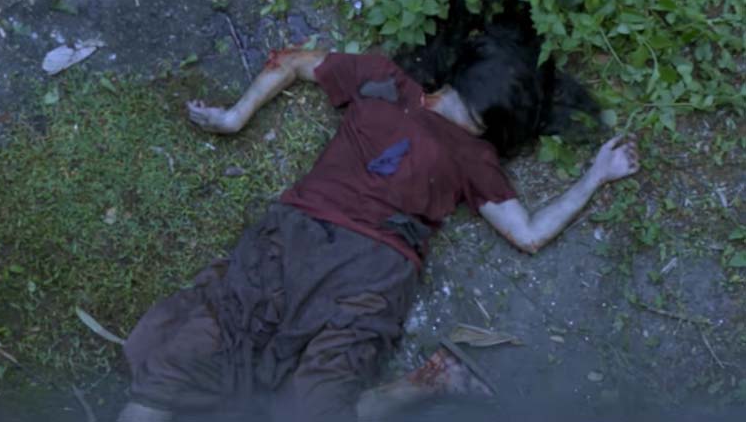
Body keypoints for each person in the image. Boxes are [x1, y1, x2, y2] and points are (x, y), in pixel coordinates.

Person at [116, 34, 639, 421]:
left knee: (201, 370)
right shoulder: (400, 95)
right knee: (193, 362)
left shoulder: (398, 92)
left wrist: (238, 115)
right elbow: (529, 233)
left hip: (346, 263)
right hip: (323, 250)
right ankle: (429, 381)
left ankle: (427, 382)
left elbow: (293, 61)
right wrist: (594, 176)